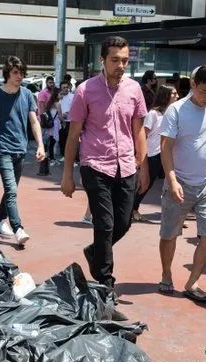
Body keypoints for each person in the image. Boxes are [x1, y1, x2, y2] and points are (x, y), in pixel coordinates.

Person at [61, 35, 149, 303]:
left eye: (125, 60)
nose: (121, 65)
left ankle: (96, 252)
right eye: (115, 60)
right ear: (103, 60)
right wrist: (67, 175)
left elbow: (139, 130)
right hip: (95, 165)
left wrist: (143, 166)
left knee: (123, 222)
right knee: (105, 224)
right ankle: (106, 282)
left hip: (126, 165)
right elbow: (73, 134)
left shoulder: (134, 89)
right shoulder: (86, 91)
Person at [156, 65, 206, 301]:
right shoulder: (176, 110)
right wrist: (172, 179)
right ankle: (166, 274)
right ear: (193, 85)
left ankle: (193, 281)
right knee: (169, 234)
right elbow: (165, 147)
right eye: (203, 91)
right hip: (180, 182)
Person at [0, 56, 44, 246]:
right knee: (12, 190)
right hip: (3, 149)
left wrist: (41, 144)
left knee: (10, 190)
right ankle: (18, 228)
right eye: (15, 72)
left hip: (20, 149)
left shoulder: (27, 95)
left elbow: (33, 121)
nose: (19, 76)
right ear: (7, 73)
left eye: (22, 73)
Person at [132, 84, 178, 223]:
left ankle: (174, 214)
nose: (177, 96)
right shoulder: (153, 114)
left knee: (173, 182)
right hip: (152, 154)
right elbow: (143, 135)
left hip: (168, 153)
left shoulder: (174, 113)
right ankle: (133, 208)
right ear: (165, 96)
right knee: (146, 183)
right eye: (173, 93)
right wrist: (139, 156)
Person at [38, 87, 61, 175]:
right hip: (54, 125)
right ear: (56, 95)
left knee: (48, 142)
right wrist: (63, 122)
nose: (61, 95)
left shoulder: (49, 103)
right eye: (60, 93)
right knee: (52, 142)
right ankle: (50, 159)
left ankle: (48, 158)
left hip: (49, 125)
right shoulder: (57, 104)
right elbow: (61, 116)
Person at [57, 80, 74, 163]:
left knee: (70, 140)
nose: (66, 89)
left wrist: (67, 112)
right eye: (64, 88)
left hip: (70, 121)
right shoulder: (59, 97)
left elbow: (75, 108)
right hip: (60, 121)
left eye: (67, 87)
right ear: (61, 89)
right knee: (62, 139)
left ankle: (71, 157)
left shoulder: (73, 96)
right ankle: (63, 155)